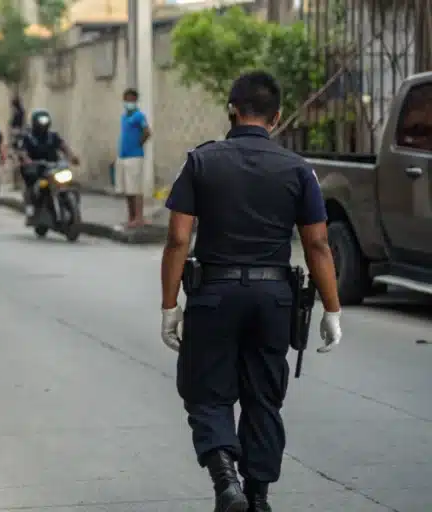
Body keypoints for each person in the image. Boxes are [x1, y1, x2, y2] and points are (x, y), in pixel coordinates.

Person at [160, 71, 343, 512]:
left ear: (231, 110)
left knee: (206, 390)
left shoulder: (201, 162)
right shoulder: (299, 170)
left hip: (214, 293)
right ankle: (258, 496)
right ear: (277, 117)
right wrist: (332, 310)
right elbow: (318, 244)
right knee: (264, 397)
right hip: (273, 298)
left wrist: (169, 306)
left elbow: (178, 240)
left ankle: (226, 478)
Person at [17, 109, 79, 219]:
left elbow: (63, 146)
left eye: (45, 122)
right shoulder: (28, 137)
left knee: (69, 183)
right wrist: (27, 160)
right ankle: (30, 205)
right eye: (41, 122)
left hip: (53, 166)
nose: (43, 125)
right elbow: (22, 151)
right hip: (36, 168)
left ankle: (71, 208)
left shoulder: (53, 136)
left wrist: (72, 157)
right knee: (33, 184)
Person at [116, 88, 153, 228]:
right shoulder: (124, 117)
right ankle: (131, 217)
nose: (128, 102)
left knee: (136, 188)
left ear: (135, 101)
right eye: (126, 99)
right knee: (127, 189)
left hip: (134, 156)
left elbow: (147, 132)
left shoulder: (139, 116)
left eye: (131, 99)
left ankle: (139, 217)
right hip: (123, 156)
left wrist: (138, 144)